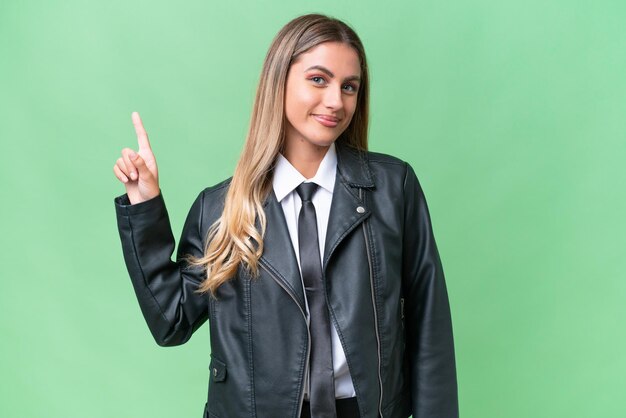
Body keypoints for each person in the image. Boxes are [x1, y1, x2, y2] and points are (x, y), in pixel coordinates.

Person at [113, 13, 458, 418]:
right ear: (279, 82)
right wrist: (145, 206)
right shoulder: (220, 208)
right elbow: (171, 321)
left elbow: (429, 327)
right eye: (318, 79)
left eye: (349, 87)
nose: (336, 101)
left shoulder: (392, 188)